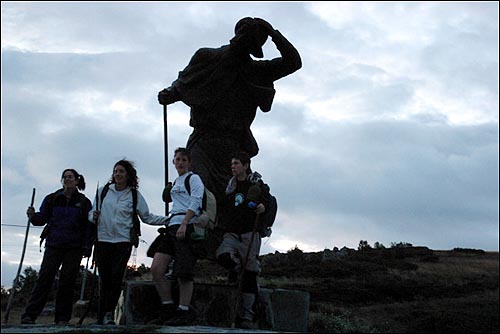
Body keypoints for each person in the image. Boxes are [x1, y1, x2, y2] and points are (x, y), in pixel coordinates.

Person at [158, 17, 301, 206]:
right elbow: (185, 81)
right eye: (243, 37)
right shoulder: (207, 57)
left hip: (233, 146)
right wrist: (170, 93)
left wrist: (273, 33)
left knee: (231, 200)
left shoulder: (256, 71)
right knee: (197, 189)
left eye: (250, 41)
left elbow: (293, 62)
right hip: (204, 141)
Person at [89, 159, 168, 325]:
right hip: (102, 239)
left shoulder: (134, 194)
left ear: (128, 175)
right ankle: (101, 315)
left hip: (123, 242)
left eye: (121, 171)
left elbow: (147, 216)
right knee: (104, 278)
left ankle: (109, 313)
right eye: (116, 171)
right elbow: (92, 213)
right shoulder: (103, 191)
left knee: (116, 278)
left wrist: (168, 220)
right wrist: (92, 216)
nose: (118, 174)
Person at [21, 169, 94, 325]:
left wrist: (88, 247)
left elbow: (88, 226)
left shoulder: (83, 202)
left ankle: (62, 318)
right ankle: (29, 315)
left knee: (67, 282)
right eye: (65, 177)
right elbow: (41, 219)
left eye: (70, 177)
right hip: (54, 245)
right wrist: (33, 216)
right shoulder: (52, 199)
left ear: (76, 180)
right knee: (44, 279)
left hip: (74, 247)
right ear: (62, 181)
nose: (67, 179)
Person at [148, 148, 204, 326]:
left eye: (184, 160)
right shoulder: (175, 183)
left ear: (189, 162)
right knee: (157, 267)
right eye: (178, 159)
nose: (180, 163)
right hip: (171, 225)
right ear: (173, 162)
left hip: (185, 225)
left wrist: (185, 223)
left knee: (183, 272)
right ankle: (167, 306)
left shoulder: (193, 178)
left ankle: (184, 310)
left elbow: (196, 200)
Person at [215, 151, 271, 329]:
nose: (233, 166)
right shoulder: (230, 186)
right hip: (232, 232)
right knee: (223, 256)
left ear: (246, 165)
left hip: (250, 232)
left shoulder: (256, 184)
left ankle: (247, 316)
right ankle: (237, 269)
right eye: (232, 163)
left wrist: (262, 207)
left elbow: (268, 203)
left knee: (249, 273)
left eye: (236, 163)